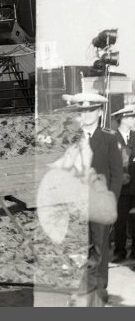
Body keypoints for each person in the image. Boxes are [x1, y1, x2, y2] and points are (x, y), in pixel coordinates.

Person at [57, 93, 123, 307]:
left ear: (100, 112)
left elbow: (116, 175)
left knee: (99, 246)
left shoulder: (109, 138)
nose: (85, 115)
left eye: (90, 110)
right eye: (82, 111)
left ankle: (98, 290)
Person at [112, 104, 135, 263]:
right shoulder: (112, 138)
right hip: (120, 187)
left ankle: (134, 251)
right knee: (120, 220)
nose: (134, 120)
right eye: (132, 118)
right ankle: (119, 251)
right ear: (124, 119)